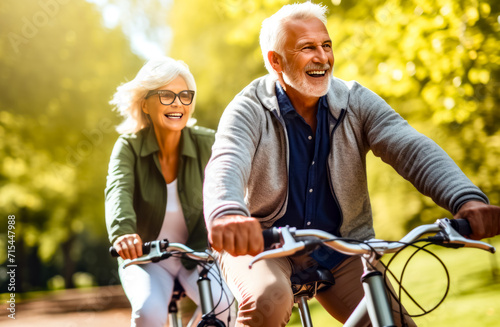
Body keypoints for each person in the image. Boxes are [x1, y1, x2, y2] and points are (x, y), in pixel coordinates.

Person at [203, 2, 500, 327]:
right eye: (307, 48)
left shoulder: (355, 101)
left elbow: (410, 147)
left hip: (339, 246)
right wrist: (228, 213)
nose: (322, 57)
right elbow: (227, 160)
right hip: (261, 242)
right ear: (276, 61)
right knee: (267, 300)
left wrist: (466, 199)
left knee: (391, 321)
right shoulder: (249, 108)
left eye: (326, 46)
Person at [105, 56, 234, 327]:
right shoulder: (128, 147)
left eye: (185, 95)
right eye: (166, 95)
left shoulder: (208, 143)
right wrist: (123, 232)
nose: (177, 103)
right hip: (146, 259)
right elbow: (118, 190)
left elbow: (231, 182)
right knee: (148, 312)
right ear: (145, 104)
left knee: (226, 305)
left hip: (198, 253)